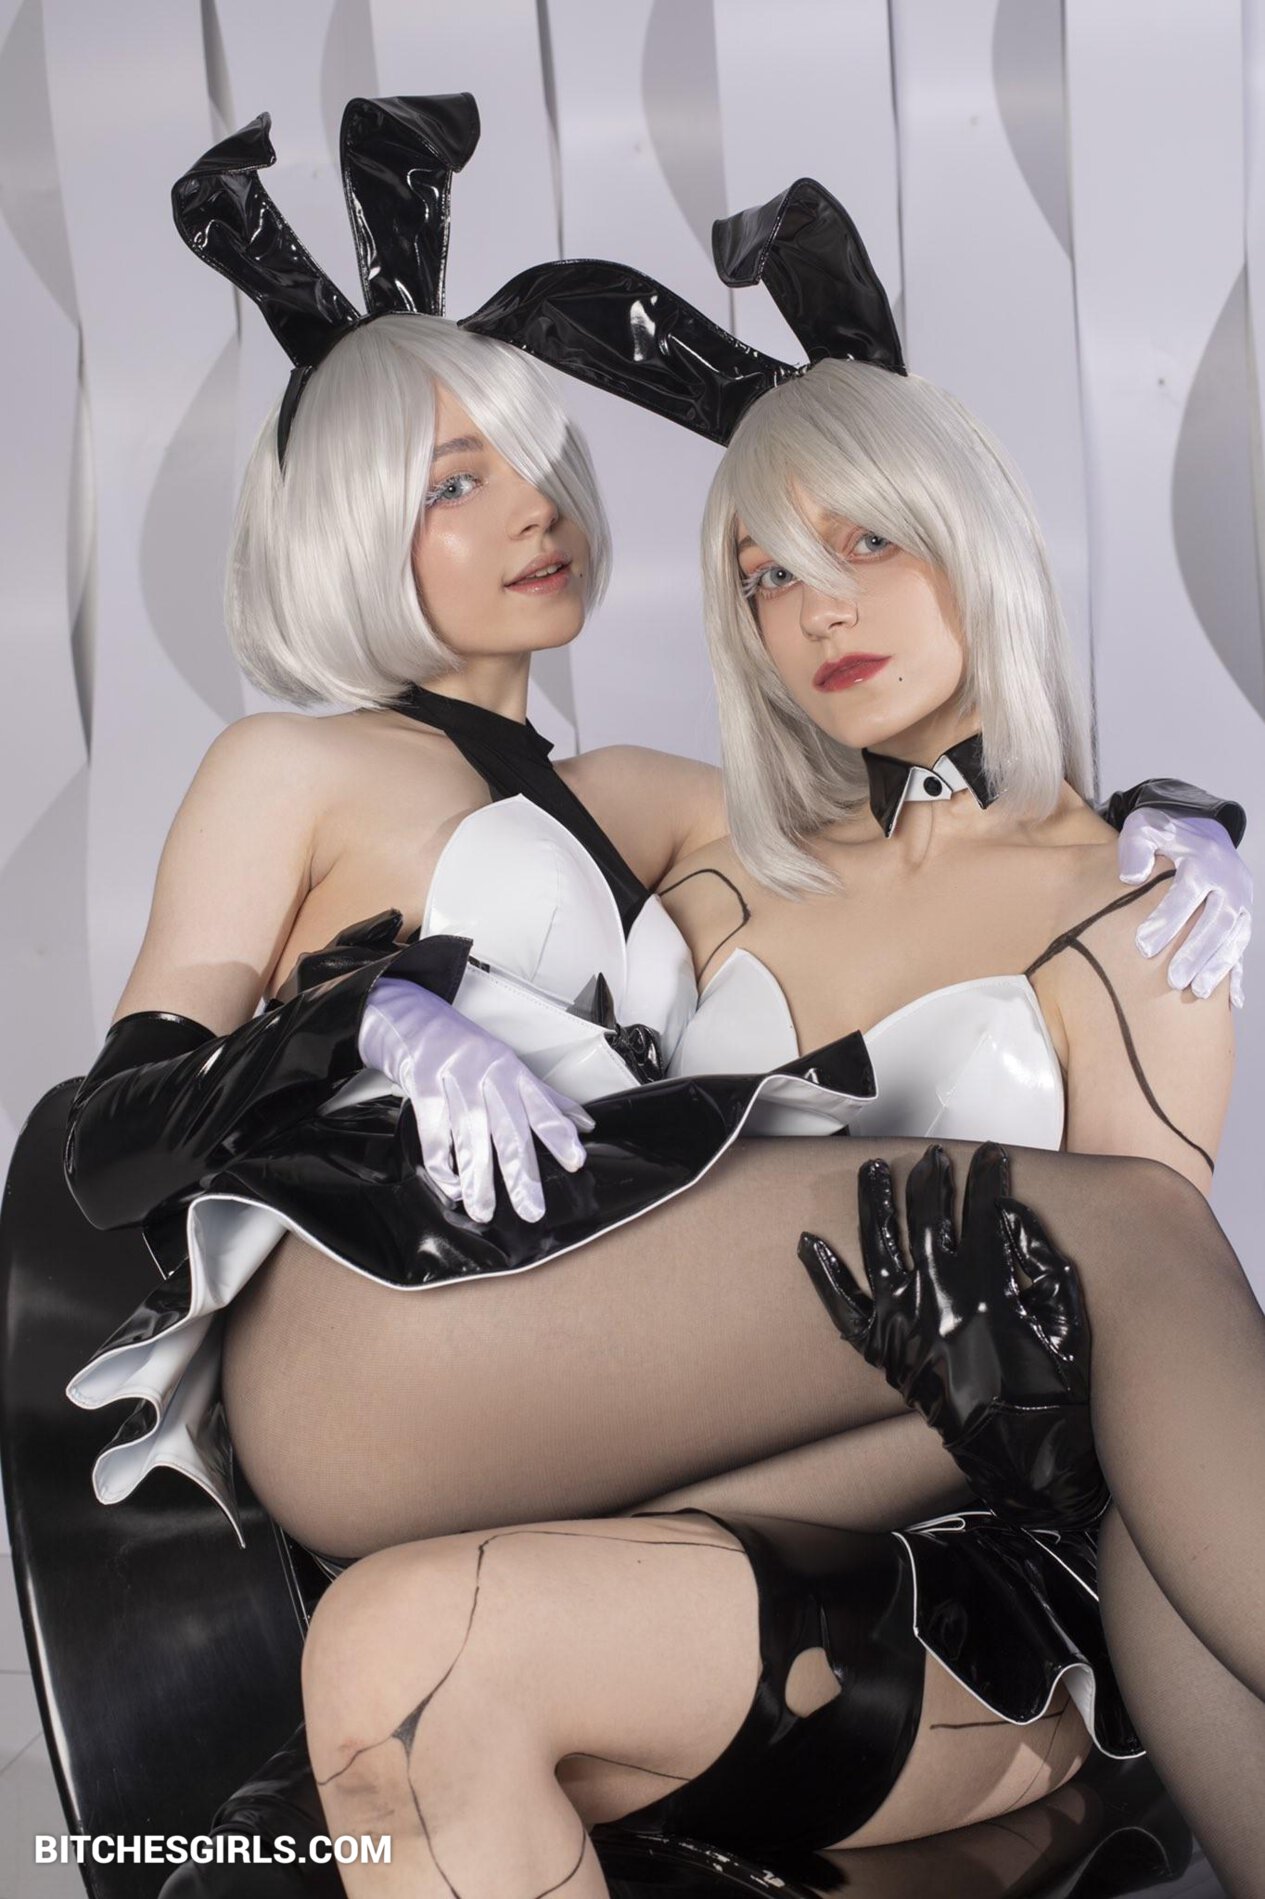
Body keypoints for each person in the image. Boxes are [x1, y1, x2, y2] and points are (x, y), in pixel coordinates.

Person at [58, 110, 1256, 1889]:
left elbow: (987, 817)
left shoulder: (620, 801)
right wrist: (357, 1016)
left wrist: (1181, 818)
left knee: (1061, 1317)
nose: (529, 508)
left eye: (535, 462)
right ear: (340, 521)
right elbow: (111, 1125)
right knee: (1105, 1246)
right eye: (765, 574)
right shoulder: (362, 773)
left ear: (972, 532)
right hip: (400, 1325)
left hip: (634, 1423)